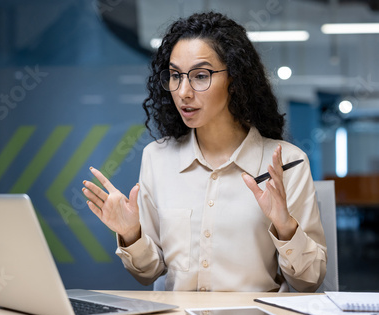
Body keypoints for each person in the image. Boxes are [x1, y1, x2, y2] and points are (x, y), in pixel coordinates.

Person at [82, 11, 327, 292]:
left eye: (200, 76)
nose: (183, 91)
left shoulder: (287, 163)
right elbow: (149, 273)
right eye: (175, 76)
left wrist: (285, 226)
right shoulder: (157, 158)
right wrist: (130, 234)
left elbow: (309, 281)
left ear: (234, 80)